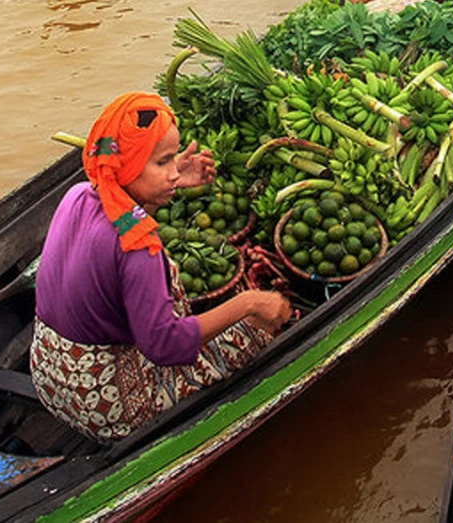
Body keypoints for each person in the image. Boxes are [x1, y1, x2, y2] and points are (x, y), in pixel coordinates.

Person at [30, 93, 289, 442]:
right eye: (162, 163)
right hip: (108, 408)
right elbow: (164, 347)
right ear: (130, 164)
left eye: (173, 161)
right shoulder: (138, 248)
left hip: (49, 375)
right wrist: (250, 304)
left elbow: (120, 220)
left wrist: (171, 179)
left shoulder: (77, 195)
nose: (172, 173)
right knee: (255, 328)